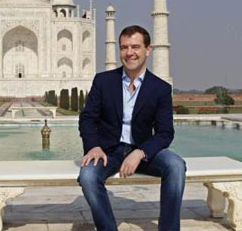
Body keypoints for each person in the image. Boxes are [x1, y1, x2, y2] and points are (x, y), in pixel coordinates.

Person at [78, 25, 186, 231]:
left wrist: (140, 152)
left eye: (135, 46)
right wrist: (93, 146)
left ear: (148, 50)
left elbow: (165, 133)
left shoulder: (160, 88)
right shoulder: (104, 81)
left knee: (176, 166)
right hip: (108, 152)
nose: (129, 53)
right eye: (124, 47)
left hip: (143, 151)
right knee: (88, 176)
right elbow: (87, 119)